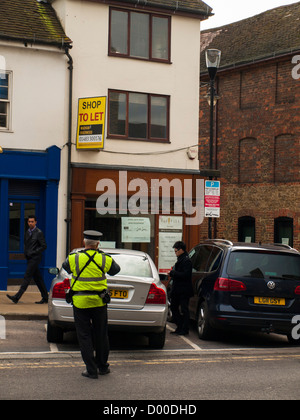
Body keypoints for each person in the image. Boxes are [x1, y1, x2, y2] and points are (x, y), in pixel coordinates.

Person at [62, 230, 120, 379]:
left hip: (80, 303)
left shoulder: (74, 257)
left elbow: (66, 268)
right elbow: (115, 270)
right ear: (98, 244)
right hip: (99, 302)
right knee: (101, 334)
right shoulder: (104, 259)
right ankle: (103, 366)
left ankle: (91, 370)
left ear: (84, 243)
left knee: (84, 336)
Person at [7, 215, 48, 304]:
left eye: (32, 221)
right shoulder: (27, 232)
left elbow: (44, 246)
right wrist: (26, 253)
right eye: (29, 222)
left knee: (27, 276)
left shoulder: (39, 232)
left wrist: (33, 252)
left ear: (36, 222)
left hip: (35, 258)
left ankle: (17, 297)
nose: (30, 223)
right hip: (29, 258)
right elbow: (26, 244)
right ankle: (45, 297)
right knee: (38, 279)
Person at [169, 241, 193, 336]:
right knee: (173, 307)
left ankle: (184, 328)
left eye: (176, 251)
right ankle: (180, 326)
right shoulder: (180, 259)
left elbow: (186, 275)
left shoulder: (186, 260)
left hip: (183, 290)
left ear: (181, 250)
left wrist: (173, 273)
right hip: (177, 289)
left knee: (184, 309)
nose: (175, 252)